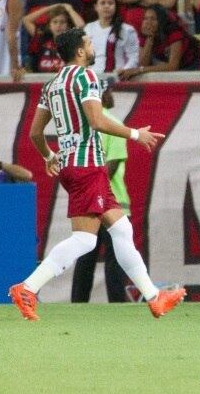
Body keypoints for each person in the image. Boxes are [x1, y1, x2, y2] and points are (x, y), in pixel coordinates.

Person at [12, 27, 186, 321]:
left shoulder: (52, 85)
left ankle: (155, 298)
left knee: (122, 230)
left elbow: (34, 133)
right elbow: (96, 119)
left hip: (73, 165)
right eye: (89, 43)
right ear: (79, 51)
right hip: (87, 166)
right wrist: (134, 134)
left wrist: (49, 156)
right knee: (85, 240)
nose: (93, 47)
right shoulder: (85, 76)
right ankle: (28, 287)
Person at [71, 79, 129, 303]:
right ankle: (117, 308)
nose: (113, 95)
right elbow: (112, 167)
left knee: (85, 258)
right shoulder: (112, 124)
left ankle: (78, 306)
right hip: (112, 205)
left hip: (87, 203)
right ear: (103, 94)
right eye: (111, 90)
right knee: (116, 262)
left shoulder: (82, 126)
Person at [84, 0, 140, 74]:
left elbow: (134, 57)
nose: (107, 6)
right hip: (92, 77)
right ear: (96, 7)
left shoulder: (127, 30)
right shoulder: (88, 28)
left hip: (116, 77)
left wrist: (124, 70)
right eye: (103, 3)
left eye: (110, 3)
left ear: (115, 7)